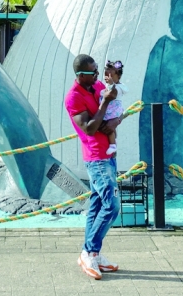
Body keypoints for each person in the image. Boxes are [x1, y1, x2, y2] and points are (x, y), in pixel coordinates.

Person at [65, 54, 123, 280]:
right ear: (80, 75)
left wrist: (116, 119)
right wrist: (106, 102)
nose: (98, 75)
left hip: (108, 154)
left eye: (98, 70)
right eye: (93, 72)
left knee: (98, 205)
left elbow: (113, 113)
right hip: (96, 158)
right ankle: (88, 251)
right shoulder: (73, 97)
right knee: (112, 206)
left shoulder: (96, 85)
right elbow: (89, 128)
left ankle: (93, 253)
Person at [99, 60, 129, 156]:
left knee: (109, 128)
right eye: (106, 75)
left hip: (113, 110)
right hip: (110, 109)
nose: (108, 78)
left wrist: (111, 85)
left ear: (118, 76)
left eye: (110, 75)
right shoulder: (109, 85)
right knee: (110, 129)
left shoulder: (120, 87)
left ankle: (112, 145)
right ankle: (113, 141)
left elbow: (114, 93)